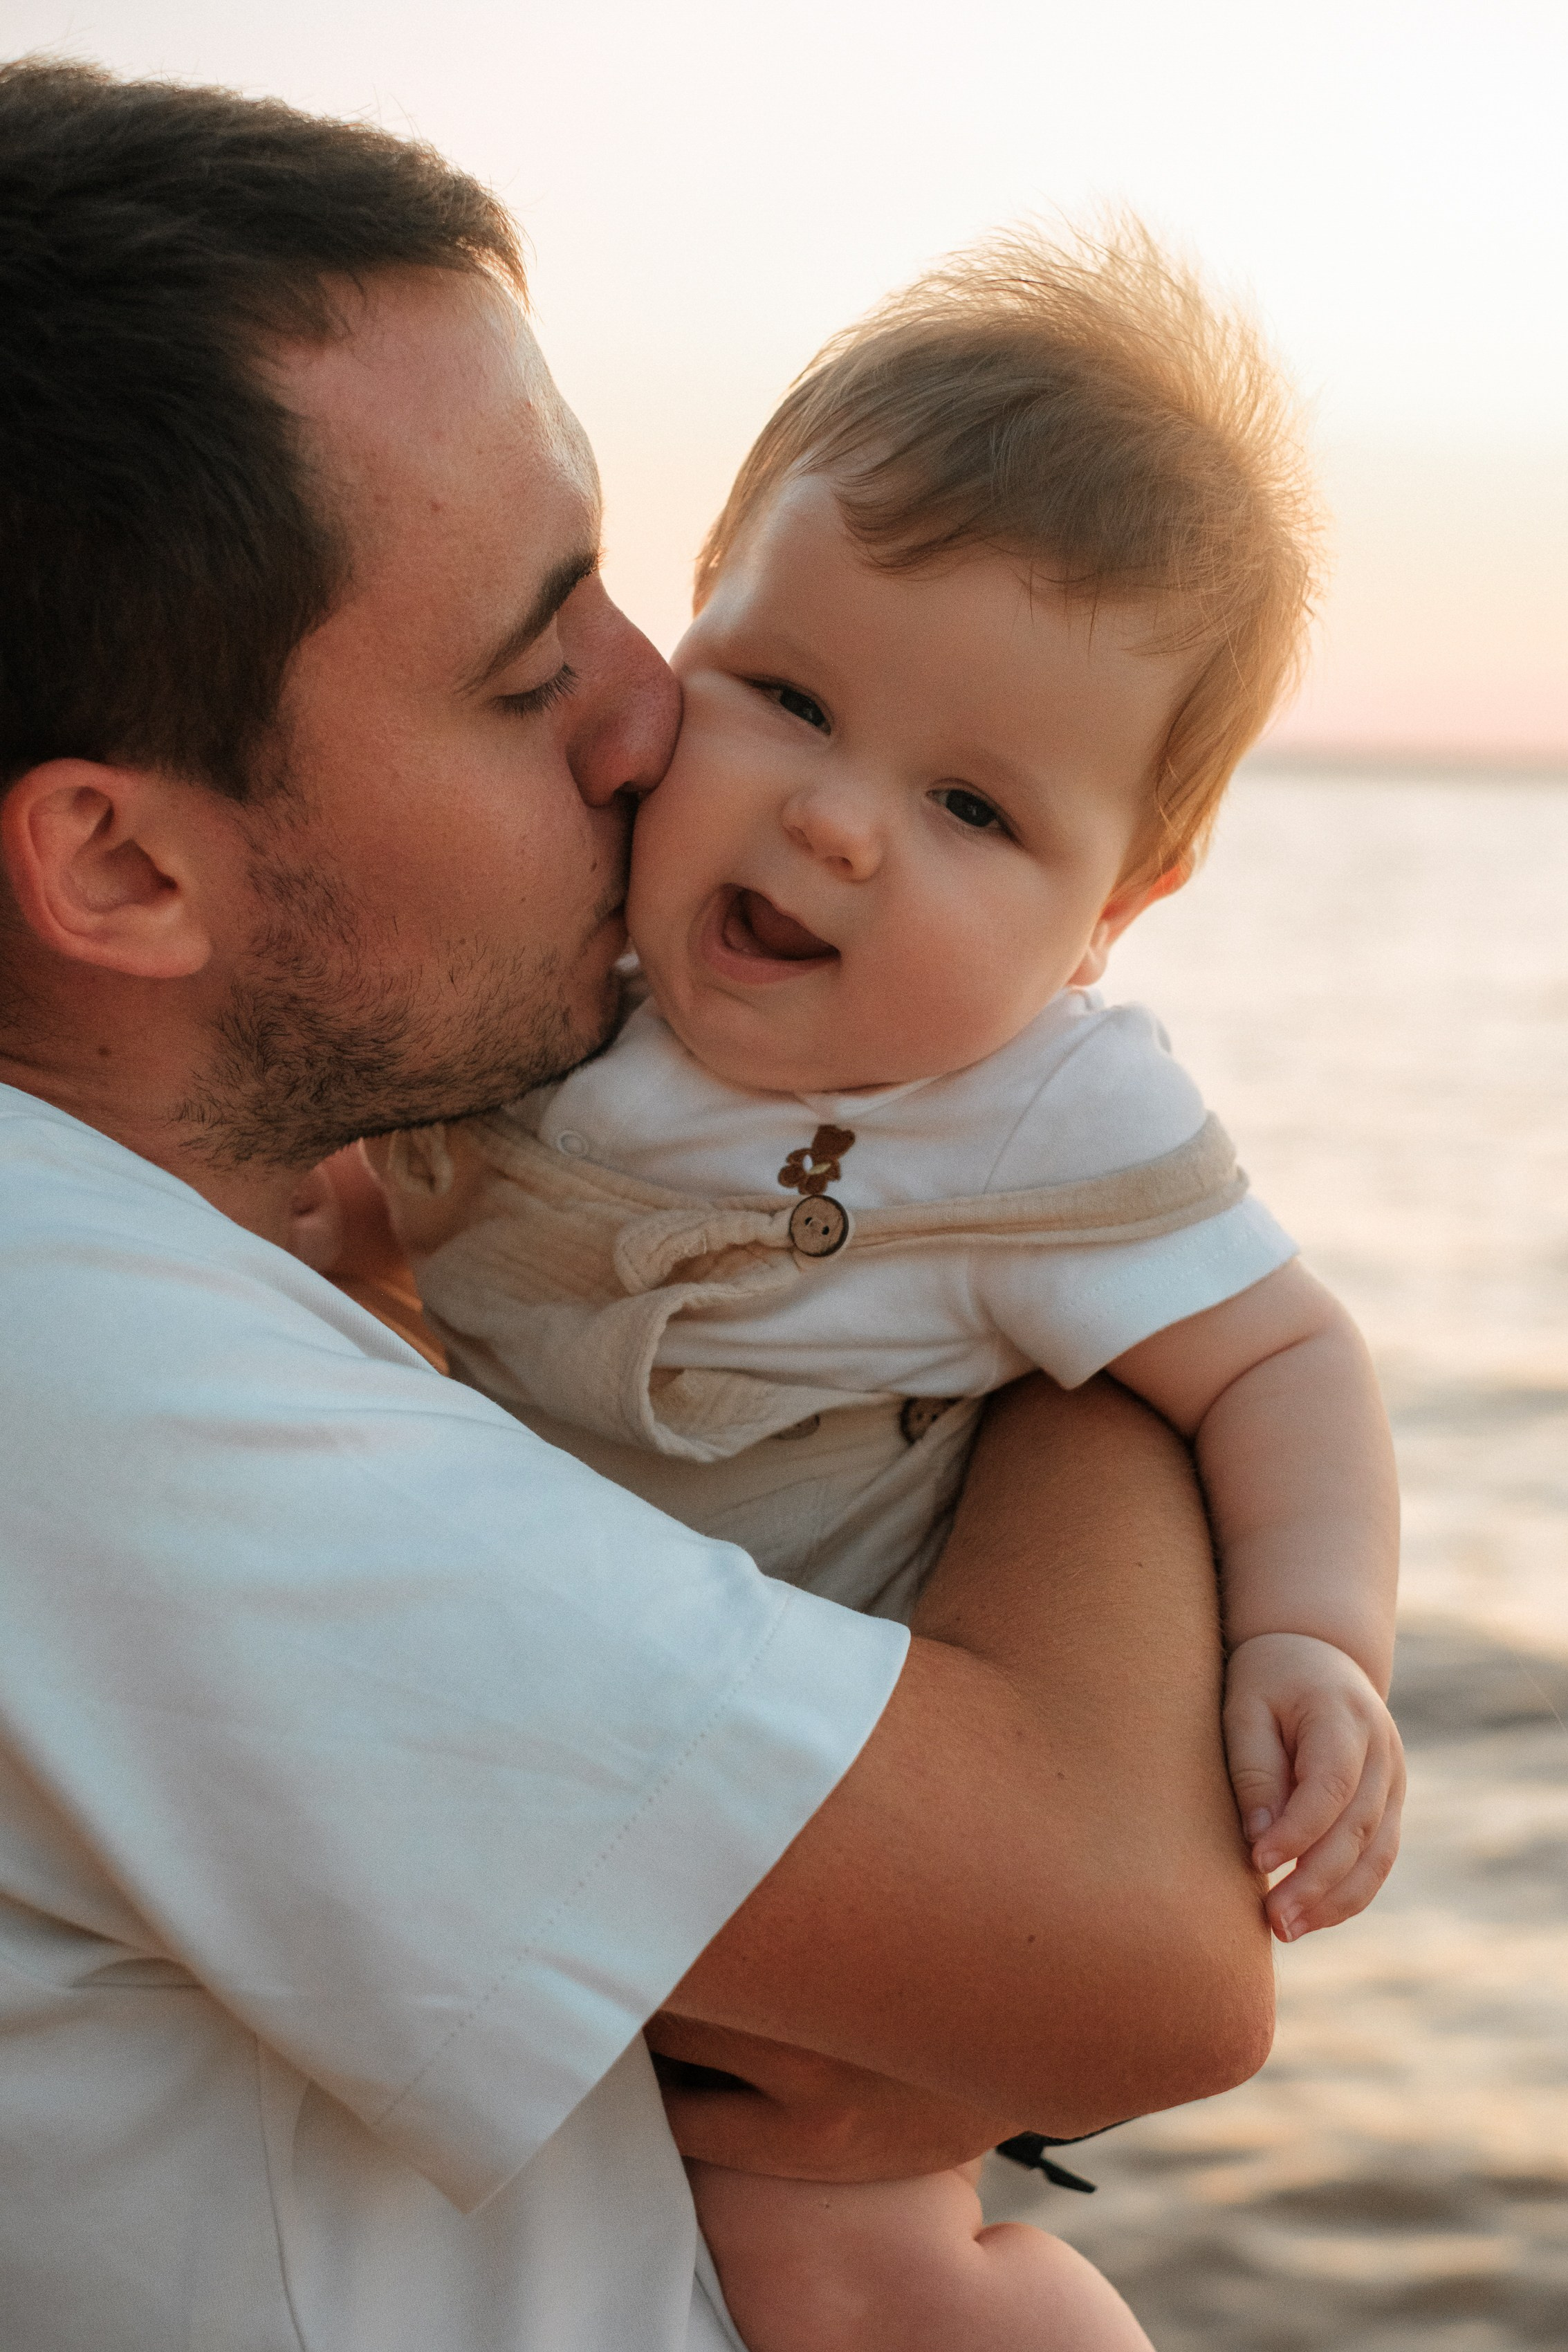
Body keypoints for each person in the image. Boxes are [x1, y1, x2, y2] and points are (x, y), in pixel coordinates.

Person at [0, 59, 1273, 2352]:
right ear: (120, 863)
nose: (645, 715)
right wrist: (1074, 1312)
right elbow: (1147, 1960)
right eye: (526, 667)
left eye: (616, 591)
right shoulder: (66, 1369)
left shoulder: (232, 1246)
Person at [368, 231, 1407, 2350]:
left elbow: (1281, 1359)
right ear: (691, 629)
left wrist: (1311, 1635)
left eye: (968, 806)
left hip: (833, 1822)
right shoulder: (559, 952)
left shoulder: (1045, 1120)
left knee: (842, 2273)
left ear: (1114, 907)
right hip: (536, 1787)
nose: (835, 823)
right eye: (787, 697)